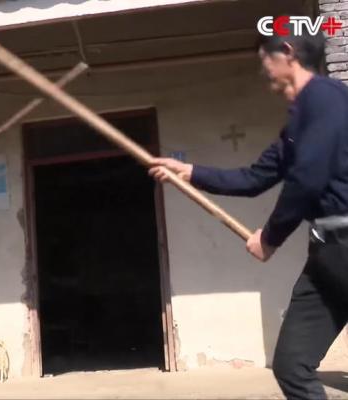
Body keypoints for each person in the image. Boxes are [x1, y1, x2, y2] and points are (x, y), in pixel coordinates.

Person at [149, 32, 348, 400]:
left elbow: (307, 179)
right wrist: (188, 172)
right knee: (291, 365)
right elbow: (253, 179)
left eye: (264, 59)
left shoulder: (325, 97)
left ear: (287, 53)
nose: (262, 70)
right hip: (325, 254)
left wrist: (270, 237)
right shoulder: (295, 129)